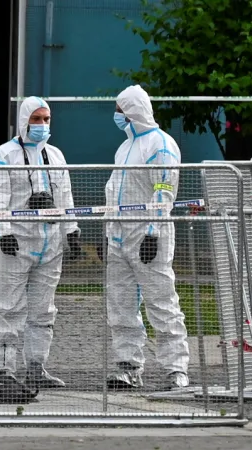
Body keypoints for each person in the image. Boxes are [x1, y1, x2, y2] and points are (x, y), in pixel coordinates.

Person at [0, 96, 81, 394]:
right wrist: (3, 232)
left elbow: (65, 197)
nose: (41, 125)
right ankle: (3, 368)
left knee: (43, 310)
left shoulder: (56, 156)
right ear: (24, 120)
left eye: (46, 119)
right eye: (36, 119)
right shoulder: (5, 155)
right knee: (7, 307)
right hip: (17, 243)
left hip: (51, 244)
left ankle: (36, 367)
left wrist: (72, 230)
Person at [104, 85, 190, 390]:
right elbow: (116, 191)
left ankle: (176, 369)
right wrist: (110, 232)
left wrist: (152, 232)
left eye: (120, 110)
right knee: (121, 305)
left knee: (161, 303)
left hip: (148, 235)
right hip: (120, 238)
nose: (116, 115)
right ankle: (128, 366)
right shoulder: (125, 147)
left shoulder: (161, 144)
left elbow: (163, 191)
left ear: (132, 111)